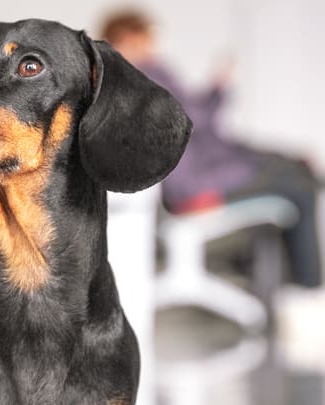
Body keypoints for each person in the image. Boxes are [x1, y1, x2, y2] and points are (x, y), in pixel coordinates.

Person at [100, 10, 322, 288]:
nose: (152, 45)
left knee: (297, 173)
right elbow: (196, 119)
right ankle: (307, 292)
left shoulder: (118, 79)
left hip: (195, 174)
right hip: (194, 185)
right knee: (301, 186)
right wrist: (219, 87)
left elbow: (197, 124)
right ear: (129, 37)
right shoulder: (146, 72)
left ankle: (294, 284)